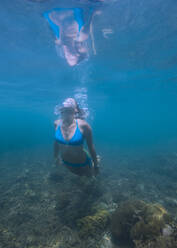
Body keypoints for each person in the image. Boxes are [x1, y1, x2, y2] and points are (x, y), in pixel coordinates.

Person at [54, 98, 100, 176]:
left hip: (83, 165)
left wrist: (96, 165)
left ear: (75, 111)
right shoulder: (56, 123)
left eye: (69, 110)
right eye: (64, 110)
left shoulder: (84, 126)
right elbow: (56, 143)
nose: (65, 113)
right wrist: (56, 157)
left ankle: (97, 160)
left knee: (90, 183)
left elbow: (91, 148)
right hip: (66, 163)